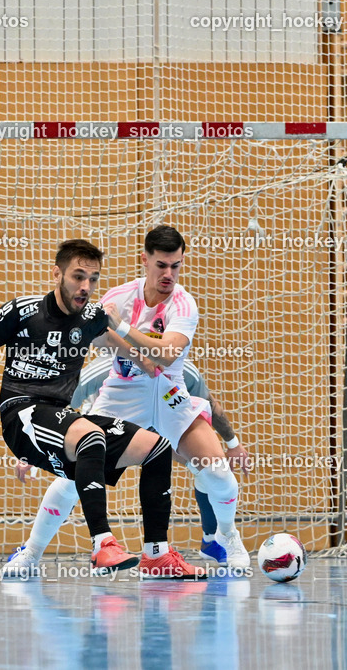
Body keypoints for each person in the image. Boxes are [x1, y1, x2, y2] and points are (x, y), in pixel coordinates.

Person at [0, 239, 203, 578]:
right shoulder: (22, 311)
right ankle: (102, 545)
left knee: (157, 449)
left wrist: (149, 362)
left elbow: (123, 347)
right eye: (78, 276)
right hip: (21, 413)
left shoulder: (92, 317)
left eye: (93, 279)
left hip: (61, 417)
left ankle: (156, 555)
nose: (86, 287)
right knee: (90, 436)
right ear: (57, 274)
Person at [4, 355, 250, 577]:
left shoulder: (179, 366)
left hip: (167, 421)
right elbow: (57, 409)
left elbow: (210, 402)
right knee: (71, 481)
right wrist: (33, 451)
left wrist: (233, 443)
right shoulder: (102, 369)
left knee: (213, 470)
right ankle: (32, 552)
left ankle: (222, 535)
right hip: (117, 422)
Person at [98, 225, 249, 568]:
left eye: (176, 266)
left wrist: (121, 329)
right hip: (122, 395)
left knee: (219, 475)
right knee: (73, 472)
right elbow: (96, 336)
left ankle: (226, 533)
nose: (169, 274)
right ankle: (30, 551)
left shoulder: (184, 304)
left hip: (170, 397)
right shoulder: (117, 297)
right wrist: (135, 353)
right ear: (145, 260)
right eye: (161, 265)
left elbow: (167, 355)